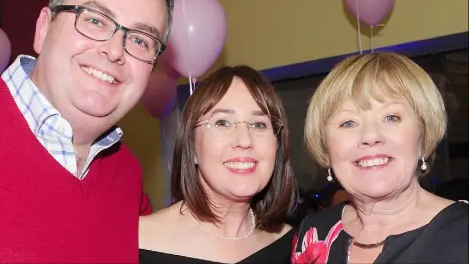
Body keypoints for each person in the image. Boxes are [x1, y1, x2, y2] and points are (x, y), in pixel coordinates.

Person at [0, 0, 175, 263]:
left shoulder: (127, 175)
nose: (115, 51)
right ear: (43, 28)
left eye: (140, 40)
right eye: (96, 20)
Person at [292, 52, 468, 264]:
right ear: (326, 146)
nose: (370, 136)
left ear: (422, 136)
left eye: (391, 117)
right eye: (348, 122)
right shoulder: (312, 233)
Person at [139, 65, 299, 263]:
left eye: (258, 124)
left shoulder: (294, 246)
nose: (245, 140)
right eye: (222, 123)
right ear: (193, 148)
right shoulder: (137, 242)